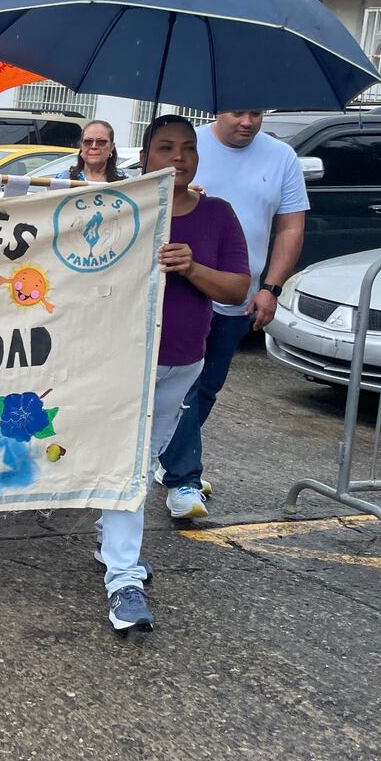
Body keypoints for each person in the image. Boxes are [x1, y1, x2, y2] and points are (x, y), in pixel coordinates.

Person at [98, 116, 250, 633]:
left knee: (145, 456)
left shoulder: (218, 215)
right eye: (165, 147)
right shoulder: (122, 210)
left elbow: (235, 290)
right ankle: (123, 579)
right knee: (132, 467)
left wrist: (190, 267)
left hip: (185, 360)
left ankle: (111, 542)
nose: (178, 158)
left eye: (187, 148)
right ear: (145, 156)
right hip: (123, 359)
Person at [158, 108, 309, 520]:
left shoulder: (282, 158)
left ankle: (165, 453)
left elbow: (290, 227)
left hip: (237, 296)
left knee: (206, 388)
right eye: (239, 112)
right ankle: (183, 478)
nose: (247, 121)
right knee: (180, 389)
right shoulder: (186, 146)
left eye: (256, 113)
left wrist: (271, 288)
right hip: (182, 299)